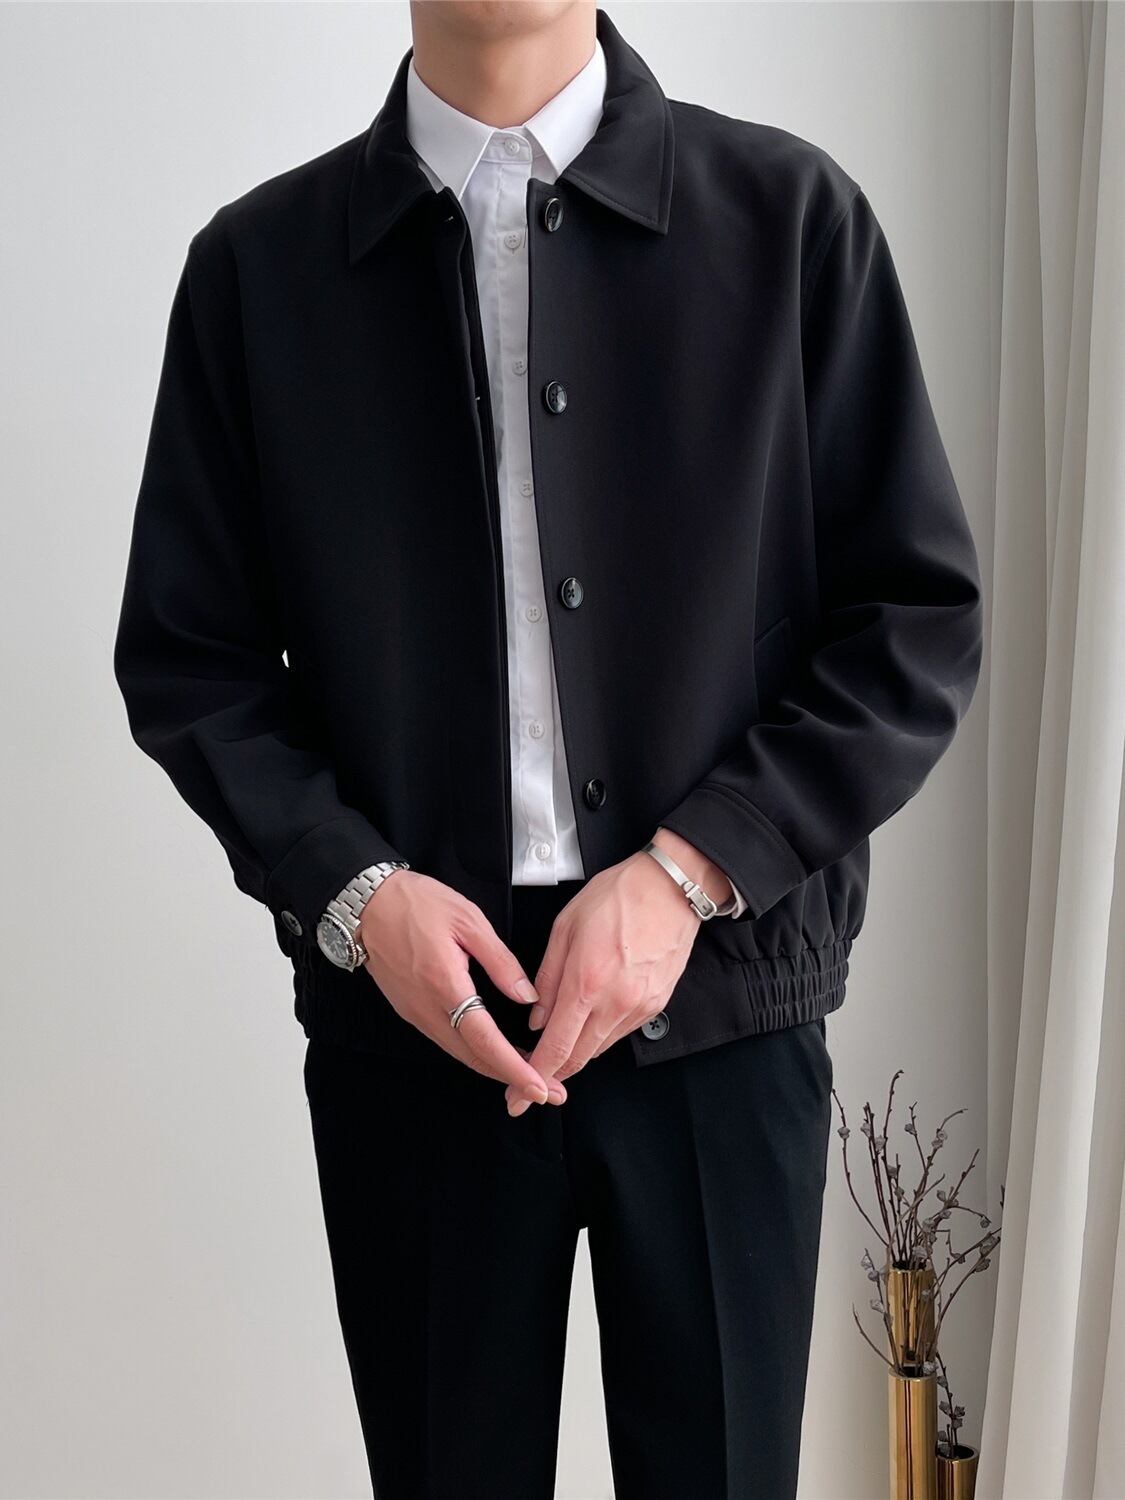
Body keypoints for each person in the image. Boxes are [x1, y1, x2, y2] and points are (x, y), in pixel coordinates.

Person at [113, 3, 984, 1496]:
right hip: (411, 1027)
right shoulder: (258, 271)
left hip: (720, 1013)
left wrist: (691, 869)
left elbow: (912, 617)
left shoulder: (790, 221)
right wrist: (356, 893)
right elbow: (191, 660)